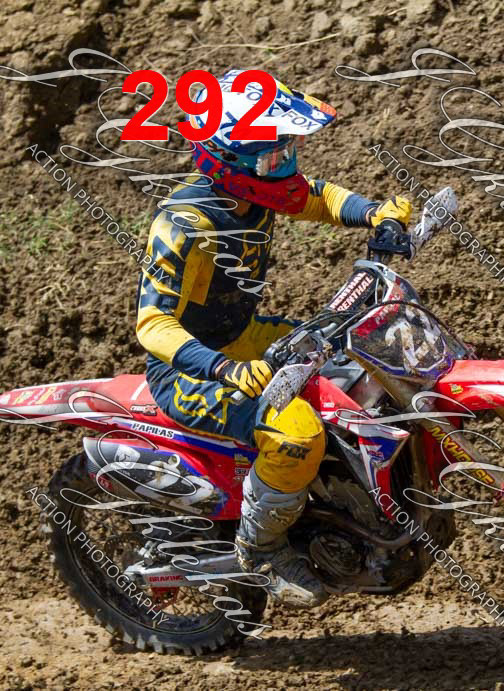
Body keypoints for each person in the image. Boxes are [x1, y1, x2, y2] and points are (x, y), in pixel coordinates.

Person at [134, 69, 411, 607]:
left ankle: (354, 506)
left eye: (286, 149)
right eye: (271, 155)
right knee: (295, 436)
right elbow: (152, 324)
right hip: (190, 368)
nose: (283, 163)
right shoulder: (185, 222)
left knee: (363, 360)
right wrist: (226, 369)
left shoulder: (257, 192)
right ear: (227, 159)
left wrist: (374, 213)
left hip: (246, 335)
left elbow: (315, 197)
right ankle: (259, 548)